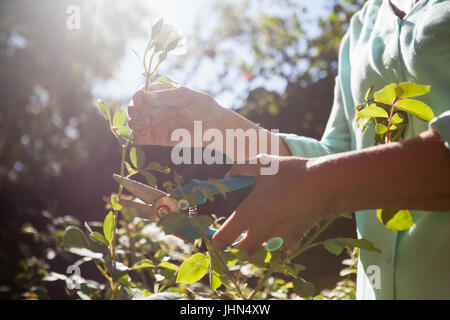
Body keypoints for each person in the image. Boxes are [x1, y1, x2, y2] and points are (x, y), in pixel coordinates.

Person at [128, 0, 450, 299]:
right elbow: (334, 159)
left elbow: (322, 178)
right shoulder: (360, 29)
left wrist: (317, 186)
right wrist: (213, 126)